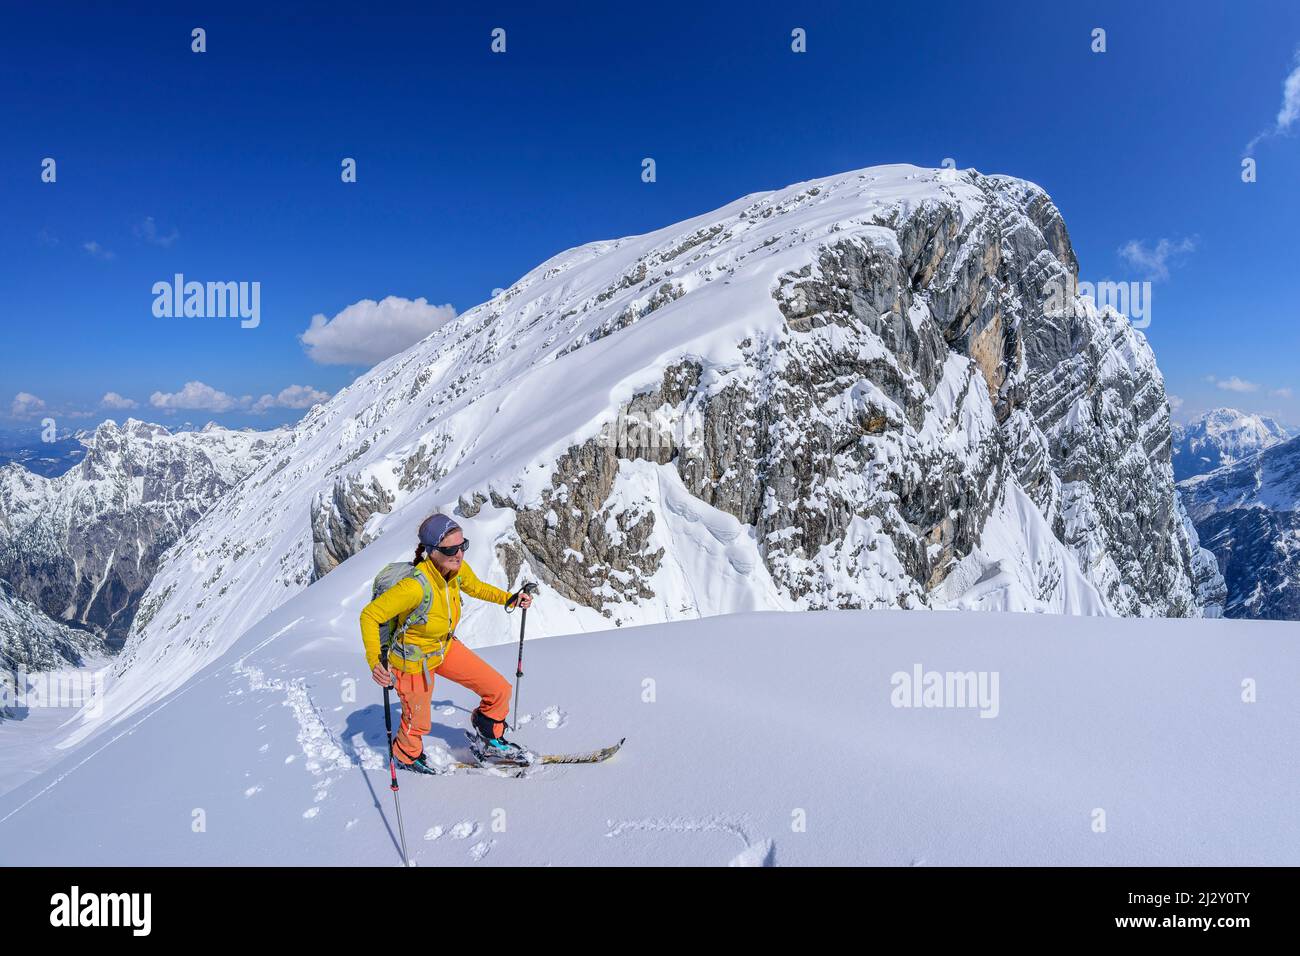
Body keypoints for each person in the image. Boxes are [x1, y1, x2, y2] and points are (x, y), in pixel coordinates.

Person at [359, 513, 533, 773]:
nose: (459, 554)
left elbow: (477, 588)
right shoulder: (414, 587)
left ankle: (489, 733)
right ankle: (406, 754)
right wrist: (375, 662)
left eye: (463, 546)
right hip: (412, 660)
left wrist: (510, 599)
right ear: (431, 551)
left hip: (444, 648)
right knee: (417, 721)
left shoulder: (456, 570)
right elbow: (370, 615)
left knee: (499, 689)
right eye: (451, 548)